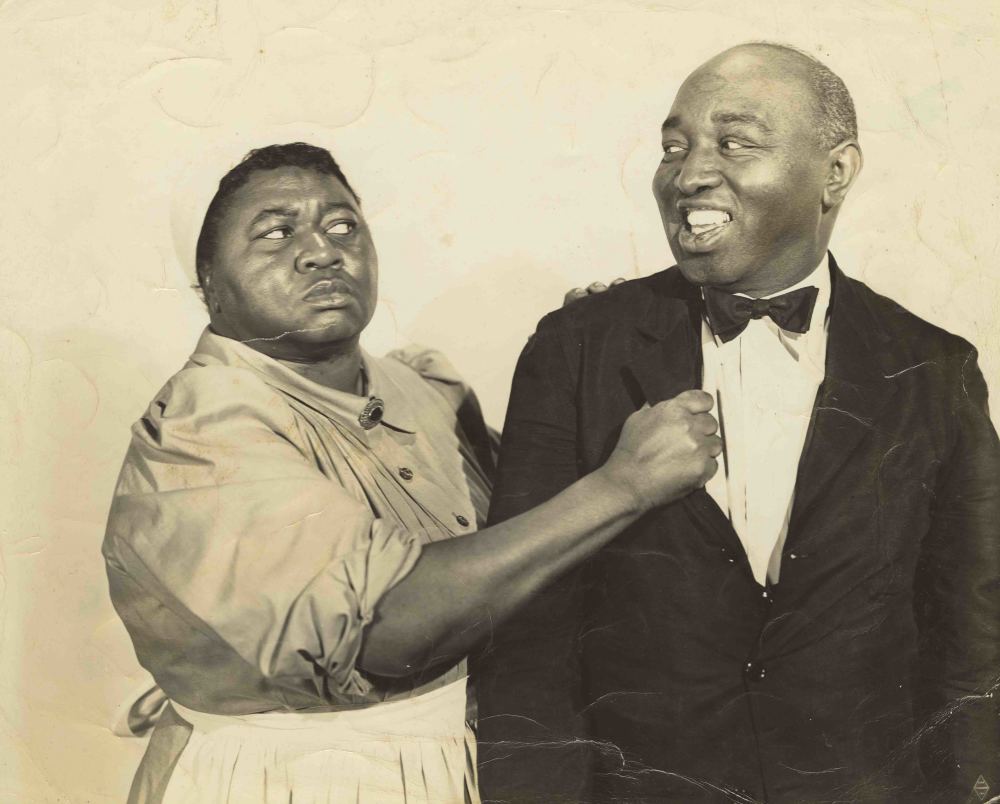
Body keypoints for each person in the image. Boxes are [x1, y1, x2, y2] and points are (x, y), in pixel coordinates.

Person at [101, 142, 722, 804]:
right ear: (207, 282)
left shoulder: (422, 387)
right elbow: (387, 630)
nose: (321, 251)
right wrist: (620, 486)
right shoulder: (200, 429)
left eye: (342, 225)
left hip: (465, 765)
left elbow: (531, 546)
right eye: (275, 232)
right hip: (296, 781)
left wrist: (587, 369)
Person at [475, 43, 1000, 803]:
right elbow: (530, 625)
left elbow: (973, 622)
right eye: (674, 146)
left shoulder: (935, 367)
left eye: (734, 141)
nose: (688, 174)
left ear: (837, 172)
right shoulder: (577, 347)